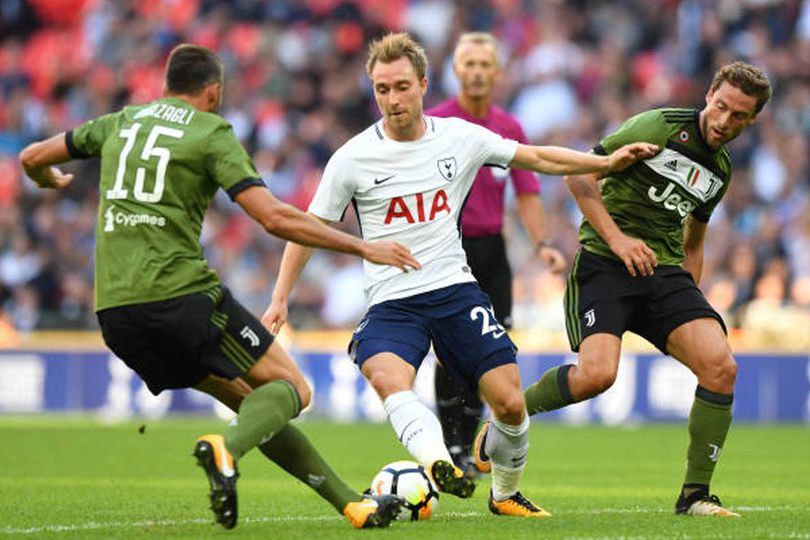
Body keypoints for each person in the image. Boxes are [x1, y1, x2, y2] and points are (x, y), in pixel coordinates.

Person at [18, 43, 422, 530]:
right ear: (214, 92)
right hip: (180, 296)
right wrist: (364, 247)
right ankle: (224, 449)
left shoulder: (119, 122)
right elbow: (272, 217)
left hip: (116, 315)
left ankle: (351, 505)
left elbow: (32, 155)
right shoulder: (210, 131)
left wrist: (46, 177)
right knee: (293, 388)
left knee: (257, 407)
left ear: (167, 86)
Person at [262, 32, 656, 518]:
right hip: (392, 301)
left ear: (424, 84)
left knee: (510, 404)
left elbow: (538, 158)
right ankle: (438, 462)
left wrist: (606, 162)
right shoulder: (352, 157)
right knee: (387, 376)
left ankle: (505, 494)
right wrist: (280, 298)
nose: (392, 99)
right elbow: (307, 230)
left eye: (401, 86)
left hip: (455, 291)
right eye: (382, 89)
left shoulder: (459, 137)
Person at [474, 61, 772, 517]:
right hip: (606, 262)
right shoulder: (660, 126)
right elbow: (580, 177)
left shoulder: (722, 170)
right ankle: (508, 413)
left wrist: (687, 299)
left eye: (737, 116)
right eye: (720, 107)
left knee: (720, 367)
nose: (723, 121)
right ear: (709, 93)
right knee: (598, 375)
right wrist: (618, 239)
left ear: (751, 120)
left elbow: (695, 237)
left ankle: (695, 495)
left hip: (664, 273)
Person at [426, 32, 566, 471]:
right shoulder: (435, 123)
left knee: (494, 349)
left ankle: (474, 444)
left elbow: (527, 192)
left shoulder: (509, 128)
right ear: (456, 71)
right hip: (449, 248)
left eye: (486, 64)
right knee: (451, 350)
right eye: (469, 64)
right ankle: (454, 446)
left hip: (493, 251)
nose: (478, 72)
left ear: (498, 72)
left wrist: (542, 243)